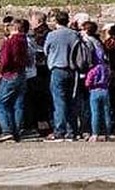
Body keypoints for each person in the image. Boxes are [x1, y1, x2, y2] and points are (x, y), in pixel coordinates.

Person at [42, 9, 81, 141]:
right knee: (71, 100)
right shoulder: (75, 34)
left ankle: (60, 130)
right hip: (72, 69)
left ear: (56, 21)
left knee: (59, 101)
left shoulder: (52, 35)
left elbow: (46, 51)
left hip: (57, 69)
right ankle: (72, 131)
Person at [0, 18, 30, 142]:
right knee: (17, 104)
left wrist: (2, 71)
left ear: (14, 27)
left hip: (10, 74)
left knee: (1, 104)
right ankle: (16, 131)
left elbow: (5, 60)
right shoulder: (24, 40)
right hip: (21, 73)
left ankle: (6, 130)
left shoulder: (10, 42)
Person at [82, 27, 112, 142]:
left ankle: (95, 133)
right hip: (105, 90)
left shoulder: (93, 70)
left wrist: (89, 86)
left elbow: (87, 82)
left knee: (95, 113)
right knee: (106, 113)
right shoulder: (106, 68)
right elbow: (109, 78)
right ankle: (107, 133)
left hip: (94, 91)